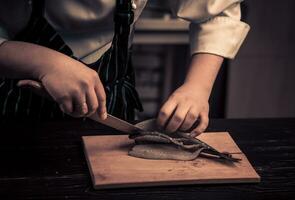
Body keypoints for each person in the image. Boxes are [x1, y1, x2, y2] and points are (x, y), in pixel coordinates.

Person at [0, 0, 249, 136]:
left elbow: (216, 12)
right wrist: (41, 62)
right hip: (11, 102)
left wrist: (197, 87)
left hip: (113, 103)